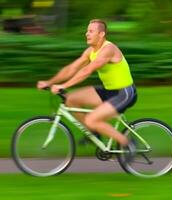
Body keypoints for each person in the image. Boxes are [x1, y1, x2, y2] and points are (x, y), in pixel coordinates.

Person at [37, 19, 137, 160]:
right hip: (109, 91)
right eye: (87, 31)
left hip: (125, 93)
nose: (86, 34)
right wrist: (50, 82)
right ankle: (94, 133)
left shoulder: (108, 50)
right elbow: (72, 68)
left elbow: (87, 70)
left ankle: (129, 144)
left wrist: (64, 86)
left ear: (101, 34)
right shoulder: (91, 51)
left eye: (91, 31)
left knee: (91, 119)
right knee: (70, 100)